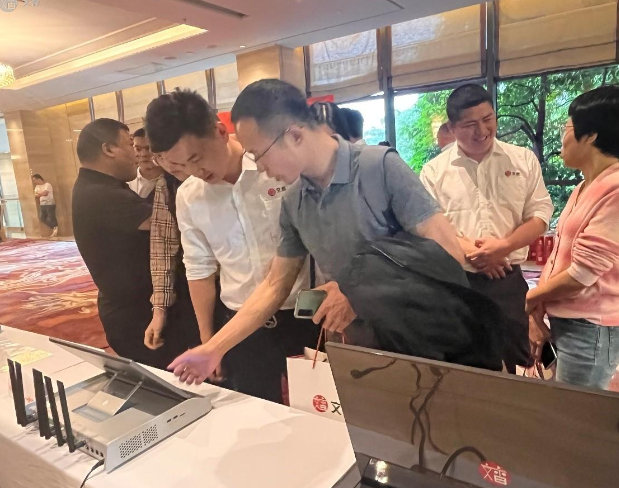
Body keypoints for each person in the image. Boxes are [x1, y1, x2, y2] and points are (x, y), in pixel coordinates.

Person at [168, 79, 464, 385]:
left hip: (422, 342)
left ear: (294, 135)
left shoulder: (379, 166)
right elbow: (274, 286)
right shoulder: (294, 199)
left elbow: (448, 253)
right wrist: (213, 348)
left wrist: (357, 292)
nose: (259, 167)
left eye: (258, 154)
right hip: (359, 350)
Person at [145, 89, 318, 402]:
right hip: (240, 323)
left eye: (196, 158)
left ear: (220, 131)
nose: (195, 172)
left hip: (305, 315)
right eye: (179, 167)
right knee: (255, 409)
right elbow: (199, 269)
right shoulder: (189, 196)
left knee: (319, 406)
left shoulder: (275, 166)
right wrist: (209, 340)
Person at [420, 84, 554, 372]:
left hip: (507, 280)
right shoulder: (434, 171)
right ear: (452, 128)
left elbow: (540, 215)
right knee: (463, 366)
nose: (481, 130)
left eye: (488, 119)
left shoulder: (522, 160)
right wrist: (476, 255)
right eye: (470, 124)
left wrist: (502, 248)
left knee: (516, 362)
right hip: (457, 283)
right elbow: (429, 226)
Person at [72, 118, 198, 369]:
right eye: (131, 145)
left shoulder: (95, 187)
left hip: (128, 309)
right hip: (138, 316)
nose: (139, 155)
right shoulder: (104, 194)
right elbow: (168, 224)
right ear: (109, 149)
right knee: (169, 380)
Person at [527, 85, 619, 390]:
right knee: (563, 406)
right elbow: (559, 259)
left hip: (590, 326)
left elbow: (583, 273)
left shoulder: (615, 188)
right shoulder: (584, 187)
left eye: (566, 129)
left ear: (590, 135)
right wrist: (540, 307)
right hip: (569, 321)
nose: (562, 139)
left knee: (576, 413)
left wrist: (532, 297)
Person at [129, 128, 164, 199]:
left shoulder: (174, 180)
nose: (143, 154)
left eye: (149, 149)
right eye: (138, 149)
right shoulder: (127, 181)